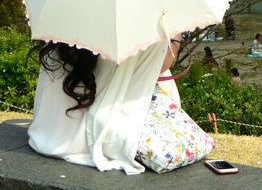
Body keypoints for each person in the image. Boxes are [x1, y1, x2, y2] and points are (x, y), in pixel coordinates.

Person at [28, 37, 182, 174]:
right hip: (111, 137)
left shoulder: (62, 18)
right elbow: (165, 62)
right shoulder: (145, 20)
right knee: (160, 64)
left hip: (51, 131)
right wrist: (174, 33)